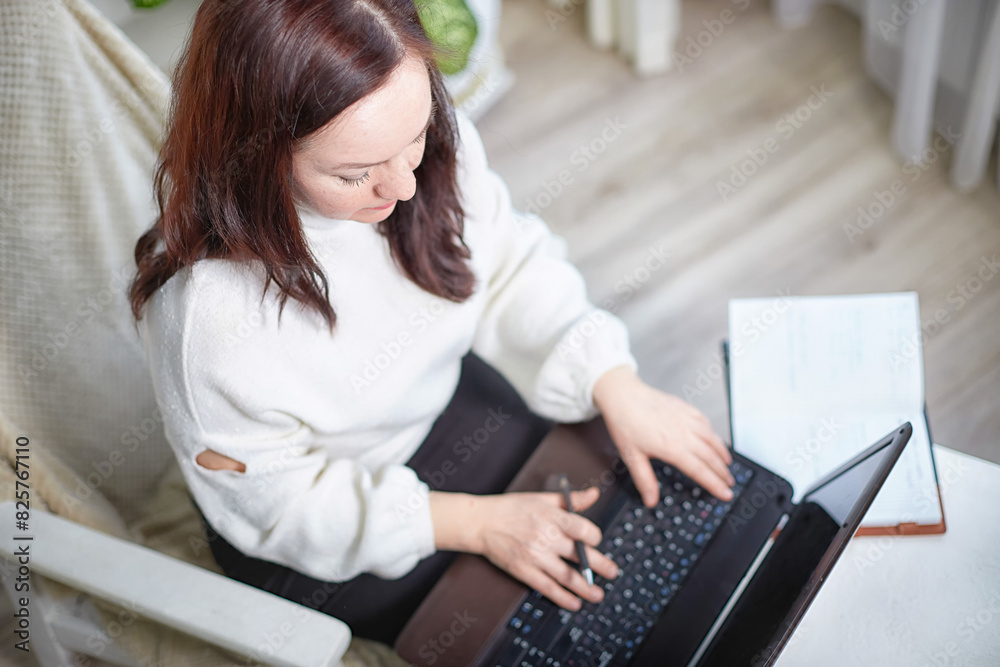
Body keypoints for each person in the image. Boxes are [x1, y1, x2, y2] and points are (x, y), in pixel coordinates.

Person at [129, 0, 734, 646]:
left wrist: (614, 378)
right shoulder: (211, 324)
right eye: (354, 173)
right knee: (539, 622)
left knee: (631, 515)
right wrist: (477, 524)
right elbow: (284, 507)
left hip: (442, 409)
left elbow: (505, 263)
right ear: (257, 154)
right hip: (321, 529)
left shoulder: (421, 149)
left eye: (414, 134)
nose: (405, 188)